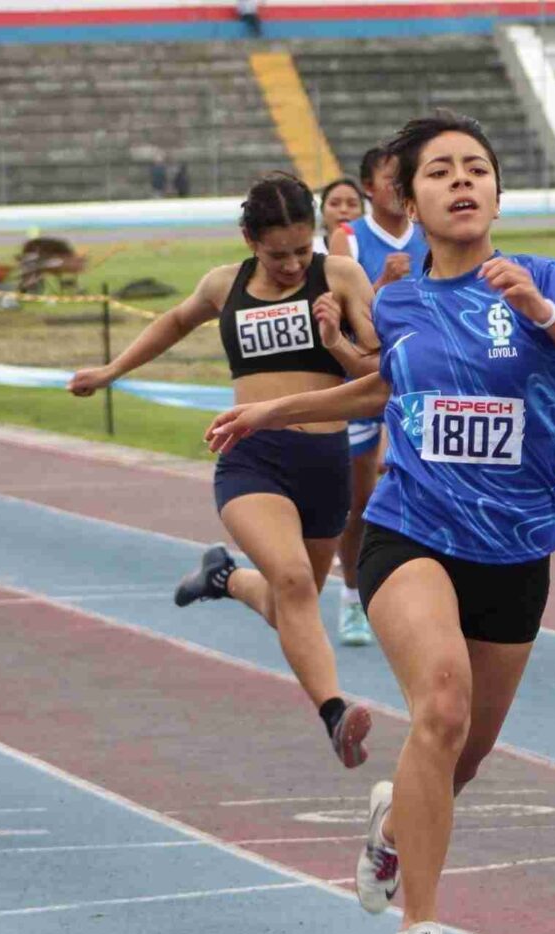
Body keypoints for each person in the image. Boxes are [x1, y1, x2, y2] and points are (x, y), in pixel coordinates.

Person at [204, 111, 555, 934]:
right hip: (411, 528)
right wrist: (268, 414)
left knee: (459, 759)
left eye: (478, 168)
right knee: (438, 704)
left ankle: (395, 824)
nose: (463, 181)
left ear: (500, 193)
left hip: (516, 544)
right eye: (442, 171)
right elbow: (391, 381)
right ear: (413, 198)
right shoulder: (398, 297)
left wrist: (540, 313)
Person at [68, 171, 382, 770]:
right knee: (292, 583)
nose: (292, 265)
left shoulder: (338, 275)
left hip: (324, 464)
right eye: (277, 253)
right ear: (248, 239)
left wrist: (337, 337)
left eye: (301, 249)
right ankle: (336, 714)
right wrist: (110, 372)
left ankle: (224, 579)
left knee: (295, 602)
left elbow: (376, 363)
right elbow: (173, 322)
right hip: (252, 458)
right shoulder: (223, 285)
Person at [328, 146, 429, 647]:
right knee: (361, 501)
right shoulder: (347, 237)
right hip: (367, 374)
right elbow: (342, 312)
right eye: (393, 178)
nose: (401, 185)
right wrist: (382, 282)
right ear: (370, 187)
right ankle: (351, 596)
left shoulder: (430, 232)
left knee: (422, 484)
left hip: (423, 378)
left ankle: (423, 594)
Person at [312, 176, 364, 256]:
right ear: (322, 210)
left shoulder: (373, 252)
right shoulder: (311, 250)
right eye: (334, 204)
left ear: (362, 212)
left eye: (352, 204)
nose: (343, 210)